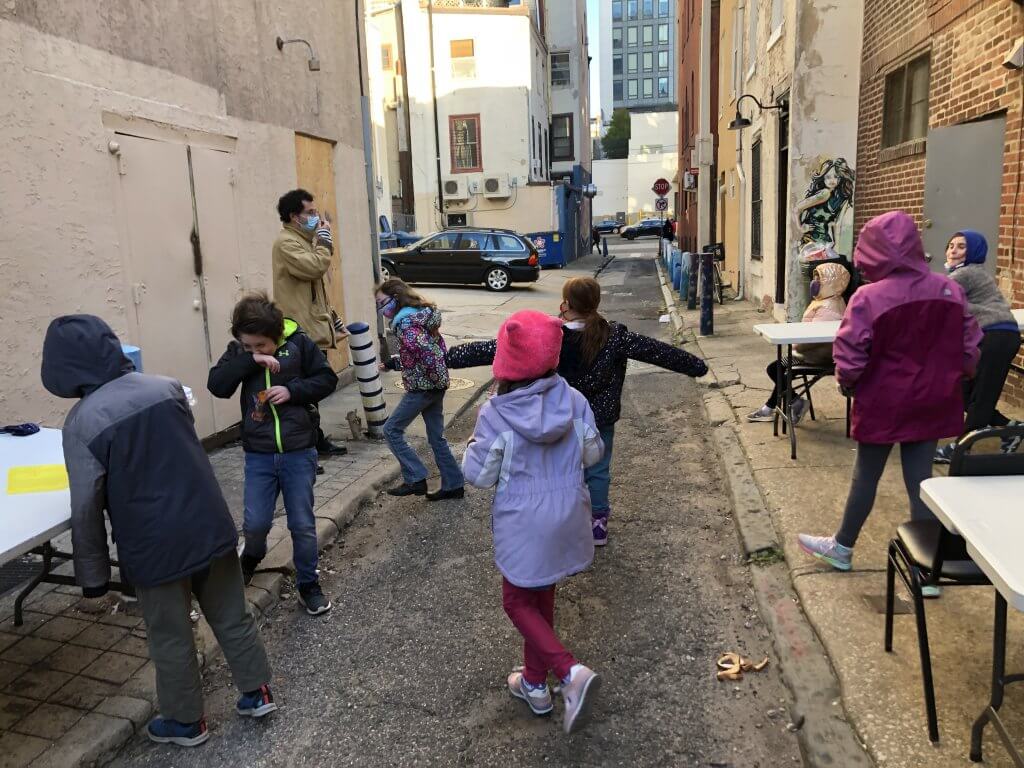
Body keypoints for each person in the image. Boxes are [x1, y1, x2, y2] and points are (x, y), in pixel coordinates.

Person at [41, 315, 275, 748]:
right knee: (231, 613)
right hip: (209, 524)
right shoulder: (165, 387)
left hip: (153, 545)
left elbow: (86, 507)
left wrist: (92, 579)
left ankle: (187, 722)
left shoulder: (81, 424)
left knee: (170, 634)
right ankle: (257, 691)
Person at [447, 276, 707, 546]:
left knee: (563, 470)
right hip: (601, 416)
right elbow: (657, 351)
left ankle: (566, 520)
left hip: (559, 413)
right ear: (595, 302)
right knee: (598, 469)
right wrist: (695, 366)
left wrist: (450, 358)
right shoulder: (614, 336)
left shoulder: (553, 335)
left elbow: (496, 348)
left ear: (566, 304)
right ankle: (597, 525)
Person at [797, 212, 982, 588]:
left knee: (867, 474)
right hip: (933, 398)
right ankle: (927, 569)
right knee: (921, 481)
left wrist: (849, 384)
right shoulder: (948, 290)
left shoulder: (868, 297)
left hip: (883, 400)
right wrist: (955, 375)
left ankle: (843, 547)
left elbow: (850, 352)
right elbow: (970, 347)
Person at [462, 310, 605, 735]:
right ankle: (534, 682)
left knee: (517, 601)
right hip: (567, 515)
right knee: (541, 598)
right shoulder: (574, 399)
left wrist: (472, 446)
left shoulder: (496, 412)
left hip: (524, 523)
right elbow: (593, 453)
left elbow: (478, 475)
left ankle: (568, 672)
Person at [208, 294, 338, 616]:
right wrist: (251, 360)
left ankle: (308, 584)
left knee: (302, 524)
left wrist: (293, 391)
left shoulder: (300, 344)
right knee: (255, 522)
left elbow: (326, 379)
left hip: (298, 451)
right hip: (259, 454)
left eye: (262, 346)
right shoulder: (241, 352)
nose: (256, 351)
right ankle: (251, 556)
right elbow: (217, 385)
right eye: (248, 345)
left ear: (278, 336)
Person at [934, 230, 1021, 463]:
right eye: (950, 245)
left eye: (961, 246)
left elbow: (934, 296)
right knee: (965, 391)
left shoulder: (966, 273)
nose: (953, 250)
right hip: (989, 336)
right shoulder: (962, 273)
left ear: (973, 251)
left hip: (997, 336)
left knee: (982, 394)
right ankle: (1011, 429)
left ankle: (961, 448)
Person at [272, 188, 347, 458]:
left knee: (312, 390)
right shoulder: (287, 243)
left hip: (311, 326)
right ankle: (308, 445)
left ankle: (316, 440)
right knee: (305, 390)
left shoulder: (303, 240)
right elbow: (316, 267)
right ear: (294, 216)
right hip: (297, 329)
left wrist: (333, 317)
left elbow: (314, 291)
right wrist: (324, 240)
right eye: (310, 213)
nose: (316, 217)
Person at [376, 278, 464, 500]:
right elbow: (417, 354)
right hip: (433, 386)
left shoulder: (405, 324)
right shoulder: (420, 316)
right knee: (436, 438)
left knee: (391, 430)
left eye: (382, 303)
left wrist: (435, 380)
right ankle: (454, 485)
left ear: (395, 298)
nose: (380, 309)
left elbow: (428, 354)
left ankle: (415, 478)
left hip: (423, 388)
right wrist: (392, 363)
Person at [747, 262, 851, 424]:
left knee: (776, 369)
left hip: (817, 357)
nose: (814, 282)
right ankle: (781, 405)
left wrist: (795, 346)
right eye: (814, 278)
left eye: (819, 279)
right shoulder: (828, 300)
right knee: (779, 369)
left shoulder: (829, 307)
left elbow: (815, 339)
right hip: (815, 353)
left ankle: (791, 404)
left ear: (831, 282)